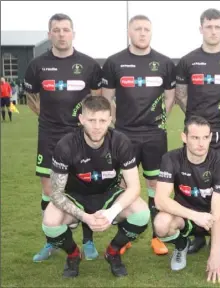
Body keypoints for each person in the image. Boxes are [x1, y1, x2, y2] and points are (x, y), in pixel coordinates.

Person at [24, 13, 103, 262]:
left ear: (73, 33)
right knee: (49, 189)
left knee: (87, 185)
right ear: (49, 34)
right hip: (49, 136)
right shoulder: (37, 66)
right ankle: (52, 241)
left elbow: (95, 101)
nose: (61, 34)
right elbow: (32, 99)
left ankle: (88, 241)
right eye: (56, 30)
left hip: (82, 136)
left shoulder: (89, 65)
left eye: (65, 30)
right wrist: (50, 119)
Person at [42, 95, 150, 278]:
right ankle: (73, 255)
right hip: (75, 196)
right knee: (50, 221)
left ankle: (113, 252)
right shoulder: (66, 145)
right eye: (91, 120)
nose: (97, 126)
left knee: (142, 213)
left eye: (102, 120)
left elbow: (134, 187)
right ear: (81, 119)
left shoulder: (120, 142)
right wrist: (84, 217)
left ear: (110, 119)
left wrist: (110, 213)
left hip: (108, 194)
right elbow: (57, 193)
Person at [175, 8, 220, 254]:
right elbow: (180, 93)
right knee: (194, 179)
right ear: (201, 29)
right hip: (196, 133)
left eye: (218, 27)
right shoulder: (188, 60)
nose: (213, 31)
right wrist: (195, 121)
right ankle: (198, 233)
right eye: (209, 26)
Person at [102, 14, 176, 256]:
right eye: (137, 29)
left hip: (155, 135)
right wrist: (117, 122)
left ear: (151, 32)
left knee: (156, 186)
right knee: (123, 185)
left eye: (146, 29)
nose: (142, 33)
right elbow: (106, 98)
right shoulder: (114, 62)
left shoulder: (164, 63)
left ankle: (157, 237)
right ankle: (125, 237)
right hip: (124, 136)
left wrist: (157, 119)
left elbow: (170, 96)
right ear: (129, 32)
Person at [153, 116, 220, 283]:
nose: (201, 143)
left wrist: (214, 255)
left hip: (212, 217)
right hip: (185, 217)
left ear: (211, 137)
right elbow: (160, 200)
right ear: (184, 137)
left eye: (205, 137)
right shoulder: (171, 158)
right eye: (195, 138)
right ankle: (182, 245)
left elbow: (217, 212)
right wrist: (195, 216)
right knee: (161, 224)